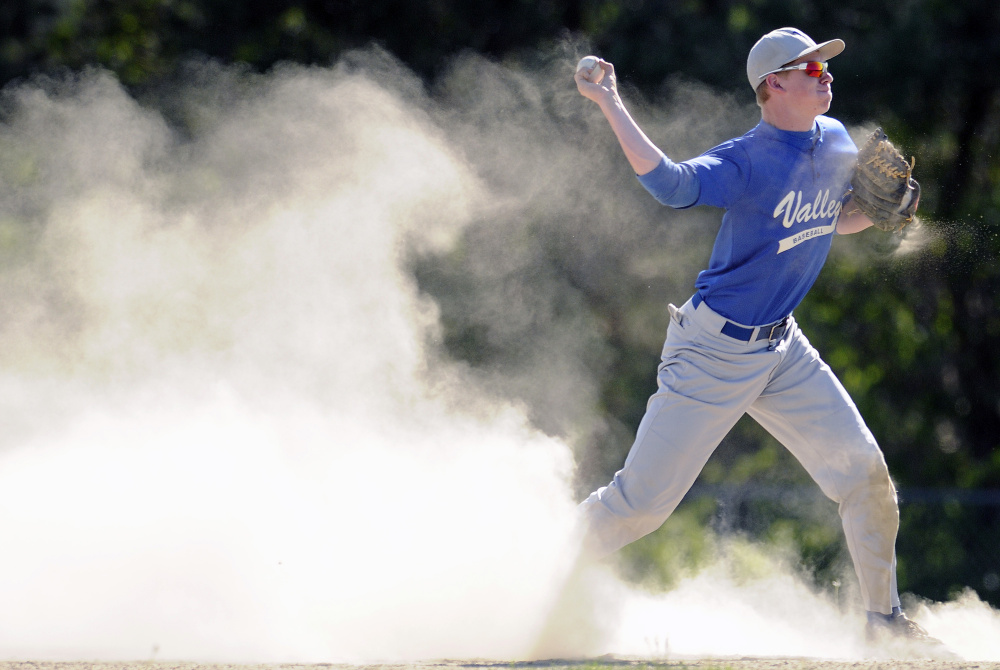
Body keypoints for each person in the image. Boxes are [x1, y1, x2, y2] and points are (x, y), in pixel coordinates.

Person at [574, 27, 941, 648]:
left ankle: (884, 625)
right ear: (773, 84)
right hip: (711, 351)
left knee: (865, 476)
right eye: (810, 68)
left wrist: (883, 209)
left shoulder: (836, 139)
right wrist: (610, 99)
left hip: (782, 350)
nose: (825, 74)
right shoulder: (746, 159)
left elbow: (831, 222)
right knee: (638, 507)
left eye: (825, 65)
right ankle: (531, 570)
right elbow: (671, 184)